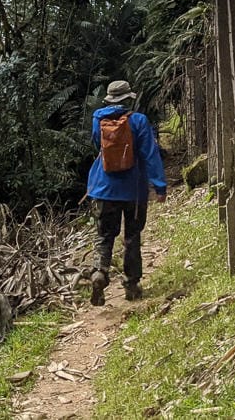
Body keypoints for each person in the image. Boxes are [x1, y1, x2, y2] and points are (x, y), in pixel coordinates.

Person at [87, 79, 167, 306]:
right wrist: (159, 186)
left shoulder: (98, 119)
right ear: (127, 99)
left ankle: (99, 273)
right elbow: (150, 155)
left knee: (104, 235)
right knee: (132, 237)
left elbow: (97, 146)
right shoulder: (139, 121)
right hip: (134, 191)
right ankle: (131, 285)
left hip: (103, 189)